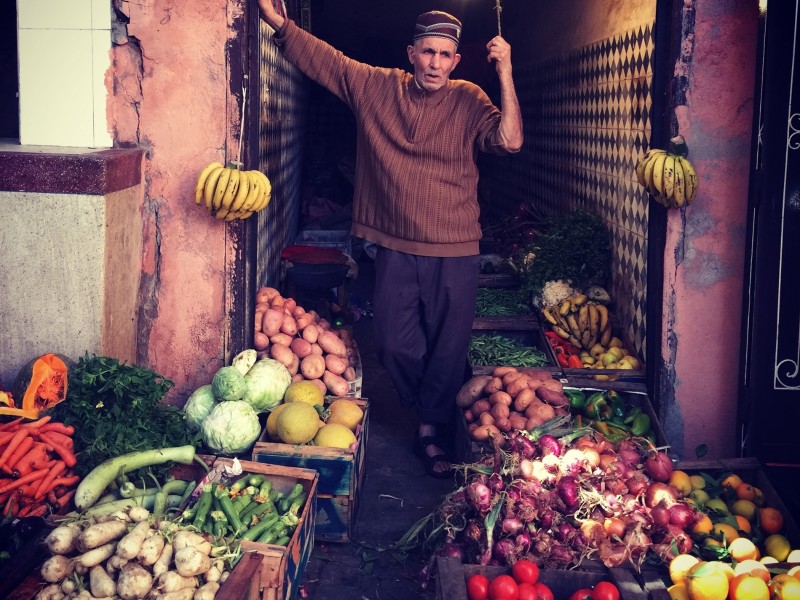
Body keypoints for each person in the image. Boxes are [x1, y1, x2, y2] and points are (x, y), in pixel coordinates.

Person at [257, 1, 523, 478]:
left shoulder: (469, 98)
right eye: (428, 53)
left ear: (456, 61)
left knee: (447, 344)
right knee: (395, 344)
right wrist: (280, 25)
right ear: (411, 53)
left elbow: (510, 141)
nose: (436, 63)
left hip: (456, 245)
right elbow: (329, 63)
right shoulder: (379, 87)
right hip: (397, 243)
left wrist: (504, 70)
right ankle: (433, 405)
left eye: (445, 55)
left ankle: (429, 427)